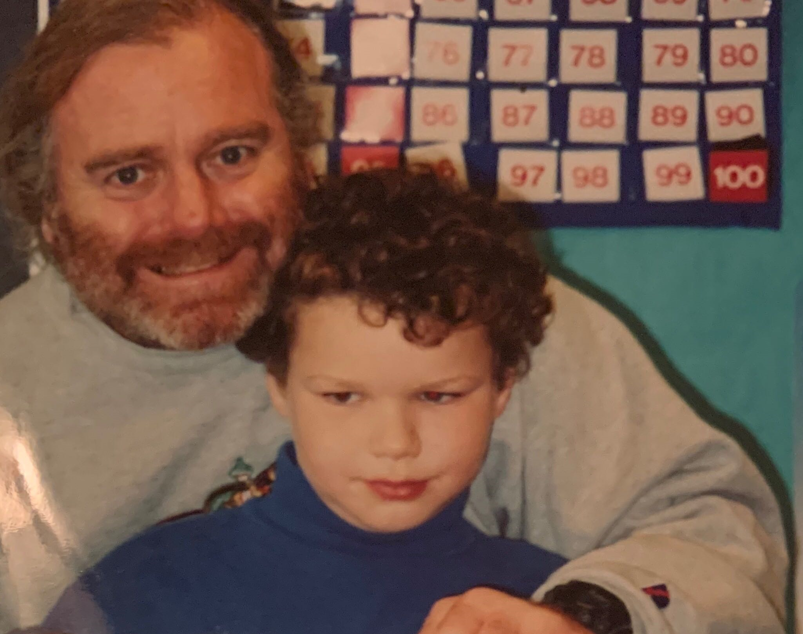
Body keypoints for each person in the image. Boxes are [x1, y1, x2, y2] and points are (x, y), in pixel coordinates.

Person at [0, 0, 787, 632]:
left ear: (296, 143)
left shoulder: (452, 305)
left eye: (233, 154)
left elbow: (720, 540)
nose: (195, 216)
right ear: (48, 203)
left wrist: (585, 615)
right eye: (129, 173)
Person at [40, 168, 572, 633]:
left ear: (503, 387)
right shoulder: (140, 593)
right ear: (279, 386)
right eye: (343, 396)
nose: (395, 443)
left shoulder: (544, 603)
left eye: (438, 395)